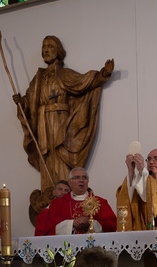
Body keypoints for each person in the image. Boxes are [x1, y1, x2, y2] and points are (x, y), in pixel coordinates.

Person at [12, 35, 114, 191]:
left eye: (50, 46)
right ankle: (49, 195)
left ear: (58, 51)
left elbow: (83, 82)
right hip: (43, 124)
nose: (46, 50)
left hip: (61, 123)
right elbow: (30, 101)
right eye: (44, 47)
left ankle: (65, 194)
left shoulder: (64, 74)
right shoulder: (38, 78)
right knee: (47, 158)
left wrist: (103, 74)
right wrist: (21, 102)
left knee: (61, 156)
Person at [115, 148, 157, 231]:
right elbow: (126, 198)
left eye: (156, 158)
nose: (151, 162)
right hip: (141, 233)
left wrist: (142, 171)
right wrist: (131, 171)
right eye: (149, 159)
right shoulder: (142, 181)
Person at [38, 168, 117, 235]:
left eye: (84, 178)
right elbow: (49, 228)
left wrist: (90, 223)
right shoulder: (58, 204)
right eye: (77, 177)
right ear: (70, 183)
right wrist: (72, 224)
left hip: (94, 249)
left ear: (87, 182)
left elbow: (112, 224)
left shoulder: (100, 202)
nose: (81, 180)